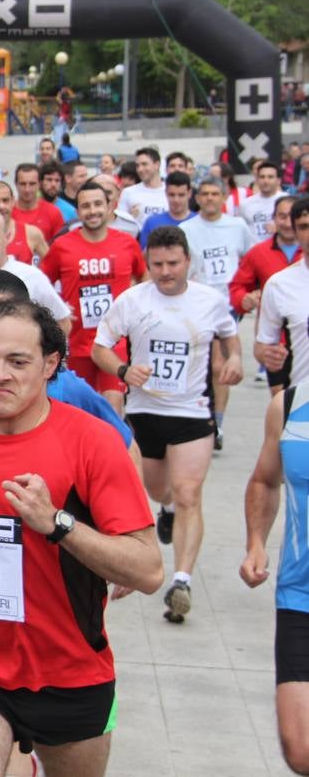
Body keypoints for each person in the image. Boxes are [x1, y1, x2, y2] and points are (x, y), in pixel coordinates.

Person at [0, 299, 162, 777]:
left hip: (70, 667)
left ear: (50, 365)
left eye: (18, 361)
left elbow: (147, 569)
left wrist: (57, 524)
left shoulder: (93, 442)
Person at [93, 226, 242, 623]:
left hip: (192, 411)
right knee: (160, 489)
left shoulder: (209, 300)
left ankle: (181, 580)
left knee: (190, 491)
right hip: (146, 411)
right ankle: (169, 508)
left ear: (188, 261)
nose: (165, 272)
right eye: (157, 264)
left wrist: (234, 359)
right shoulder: (132, 300)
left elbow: (230, 336)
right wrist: (124, 370)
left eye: (173, 263)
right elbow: (99, 348)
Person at [239, 383, 309, 775]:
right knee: (300, 749)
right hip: (300, 594)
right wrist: (256, 543)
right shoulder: (291, 405)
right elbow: (265, 480)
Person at [40, 181, 147, 414]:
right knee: (80, 411)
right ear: (78, 212)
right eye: (86, 206)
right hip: (77, 344)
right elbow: (41, 284)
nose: (93, 211)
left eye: (98, 204)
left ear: (111, 207)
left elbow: (145, 279)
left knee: (112, 406)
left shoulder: (127, 244)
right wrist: (57, 308)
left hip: (114, 343)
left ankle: (114, 449)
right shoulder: (62, 246)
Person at [181, 175, 255, 444]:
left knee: (219, 363)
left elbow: (252, 258)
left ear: (224, 198)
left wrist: (247, 291)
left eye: (215, 194)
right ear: (197, 198)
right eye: (205, 194)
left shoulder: (237, 226)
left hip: (227, 305)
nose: (210, 198)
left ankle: (218, 422)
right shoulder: (187, 229)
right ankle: (202, 414)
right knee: (202, 365)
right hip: (197, 304)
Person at [233, 195, 300, 392]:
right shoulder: (258, 253)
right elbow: (237, 287)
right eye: (282, 216)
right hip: (277, 347)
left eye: (291, 217)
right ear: (274, 218)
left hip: (303, 338)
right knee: (282, 407)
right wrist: (243, 299)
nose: (287, 223)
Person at [257, 198, 309, 391]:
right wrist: (268, 356)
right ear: (295, 232)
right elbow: (263, 346)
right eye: (304, 227)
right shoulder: (279, 284)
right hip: (302, 401)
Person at [0, 180, 48, 265]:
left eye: (5, 200)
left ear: (13, 201)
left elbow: (52, 265)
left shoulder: (31, 233)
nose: (1, 206)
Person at [11, 163, 65, 243]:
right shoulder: (7, 212)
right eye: (23, 184)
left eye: (32, 184)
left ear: (39, 184)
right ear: (16, 184)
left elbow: (60, 247)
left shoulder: (53, 213)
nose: (27, 189)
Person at [139, 172, 195, 248]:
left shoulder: (199, 221)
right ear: (165, 193)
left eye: (181, 195)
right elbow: (144, 256)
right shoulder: (151, 222)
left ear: (189, 193)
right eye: (172, 195)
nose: (176, 200)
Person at [243, 159, 290, 241]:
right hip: (255, 250)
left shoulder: (288, 201)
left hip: (280, 249)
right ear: (257, 180)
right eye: (262, 177)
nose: (266, 181)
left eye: (270, 177)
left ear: (278, 181)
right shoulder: (245, 204)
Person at [119, 147, 168, 222]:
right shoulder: (128, 192)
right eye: (138, 166)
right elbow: (121, 224)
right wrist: (130, 217)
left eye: (144, 164)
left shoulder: (170, 192)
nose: (140, 169)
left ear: (157, 165)